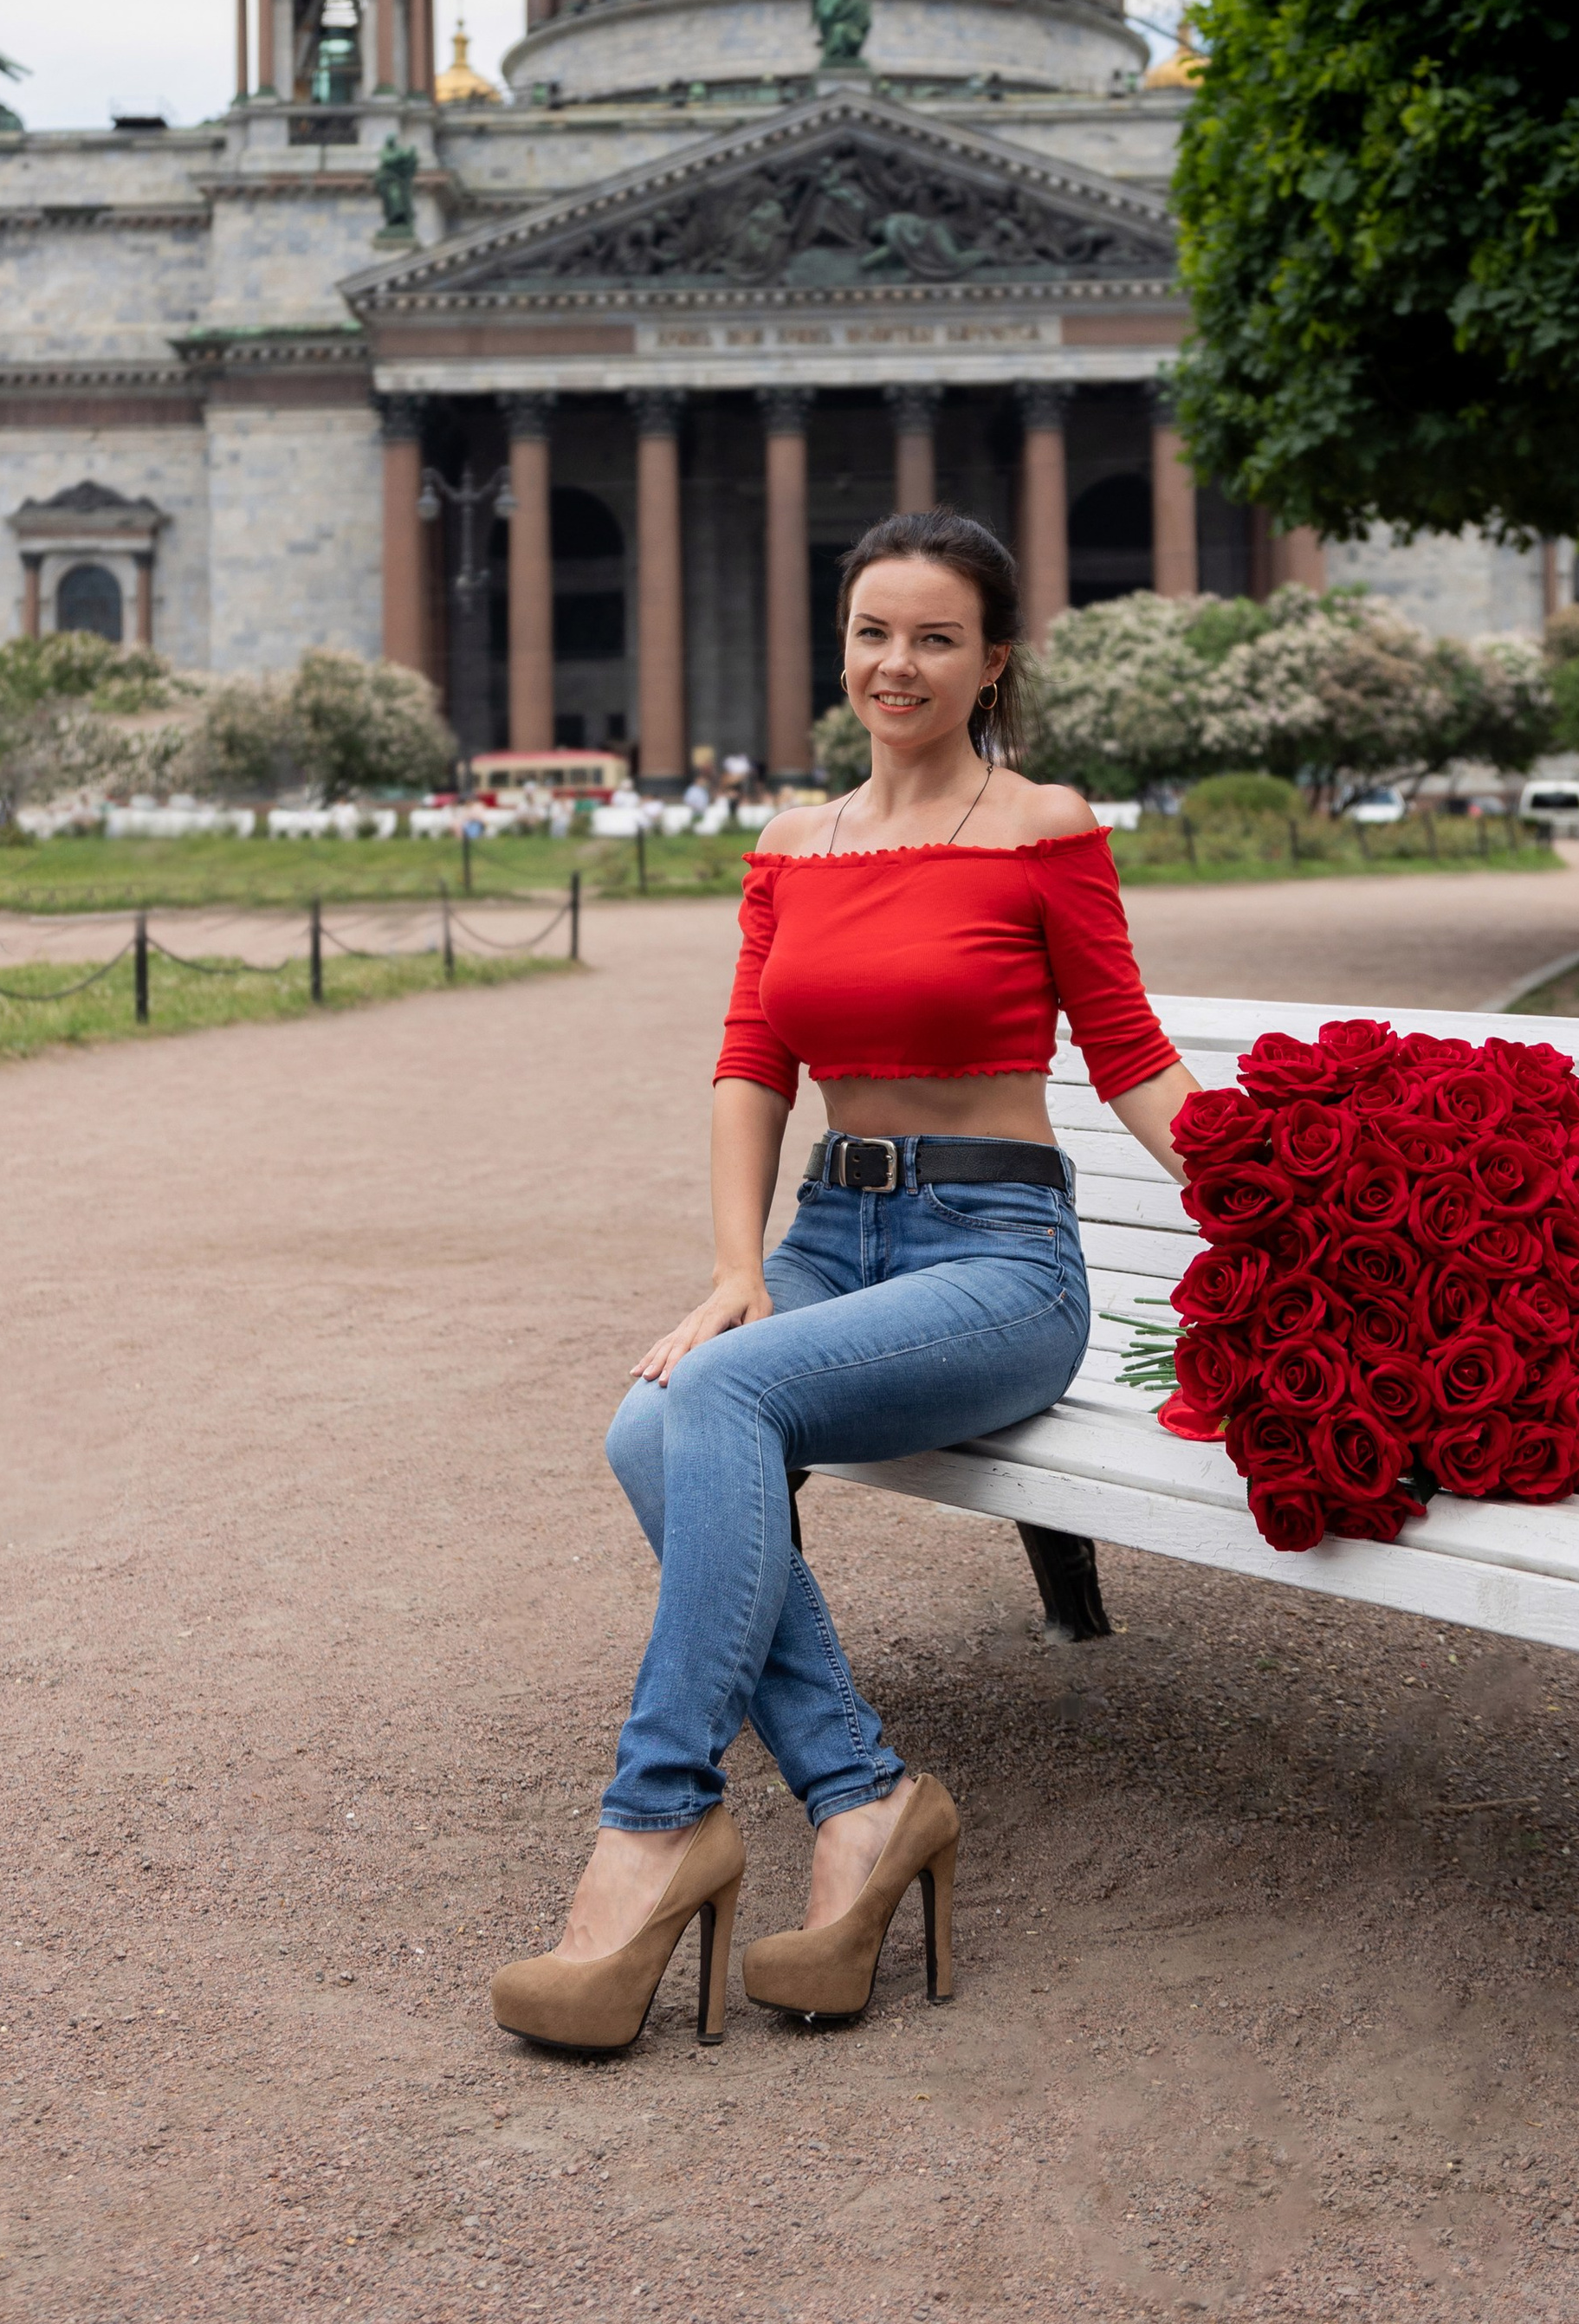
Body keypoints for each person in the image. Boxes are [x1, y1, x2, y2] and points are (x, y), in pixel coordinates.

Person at [489, 508, 1194, 2054]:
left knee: (716, 1398)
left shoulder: (1045, 827)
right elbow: (754, 1063)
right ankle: (865, 1798)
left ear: (993, 658)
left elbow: (1131, 1054)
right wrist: (742, 1269)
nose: (900, 663)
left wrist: (1272, 1196)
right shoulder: (793, 845)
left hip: (999, 1257)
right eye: (876, 631)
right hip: (826, 1239)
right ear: (845, 646)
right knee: (648, 1420)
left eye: (937, 636)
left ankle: (657, 1822)